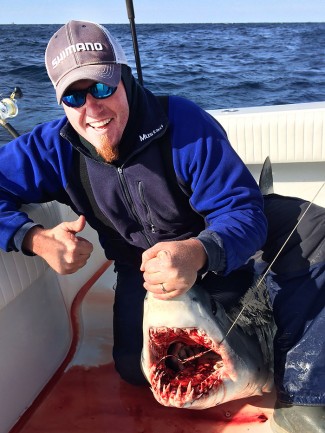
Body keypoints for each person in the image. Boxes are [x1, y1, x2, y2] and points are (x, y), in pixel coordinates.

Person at [0, 20, 323, 433]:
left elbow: (240, 209)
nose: (93, 108)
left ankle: (307, 392)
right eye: (74, 96)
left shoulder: (183, 125)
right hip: (142, 269)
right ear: (59, 100)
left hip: (218, 250)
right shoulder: (52, 148)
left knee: (311, 230)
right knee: (137, 370)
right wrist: (32, 238)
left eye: (102, 87)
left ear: (124, 78)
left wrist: (199, 251)